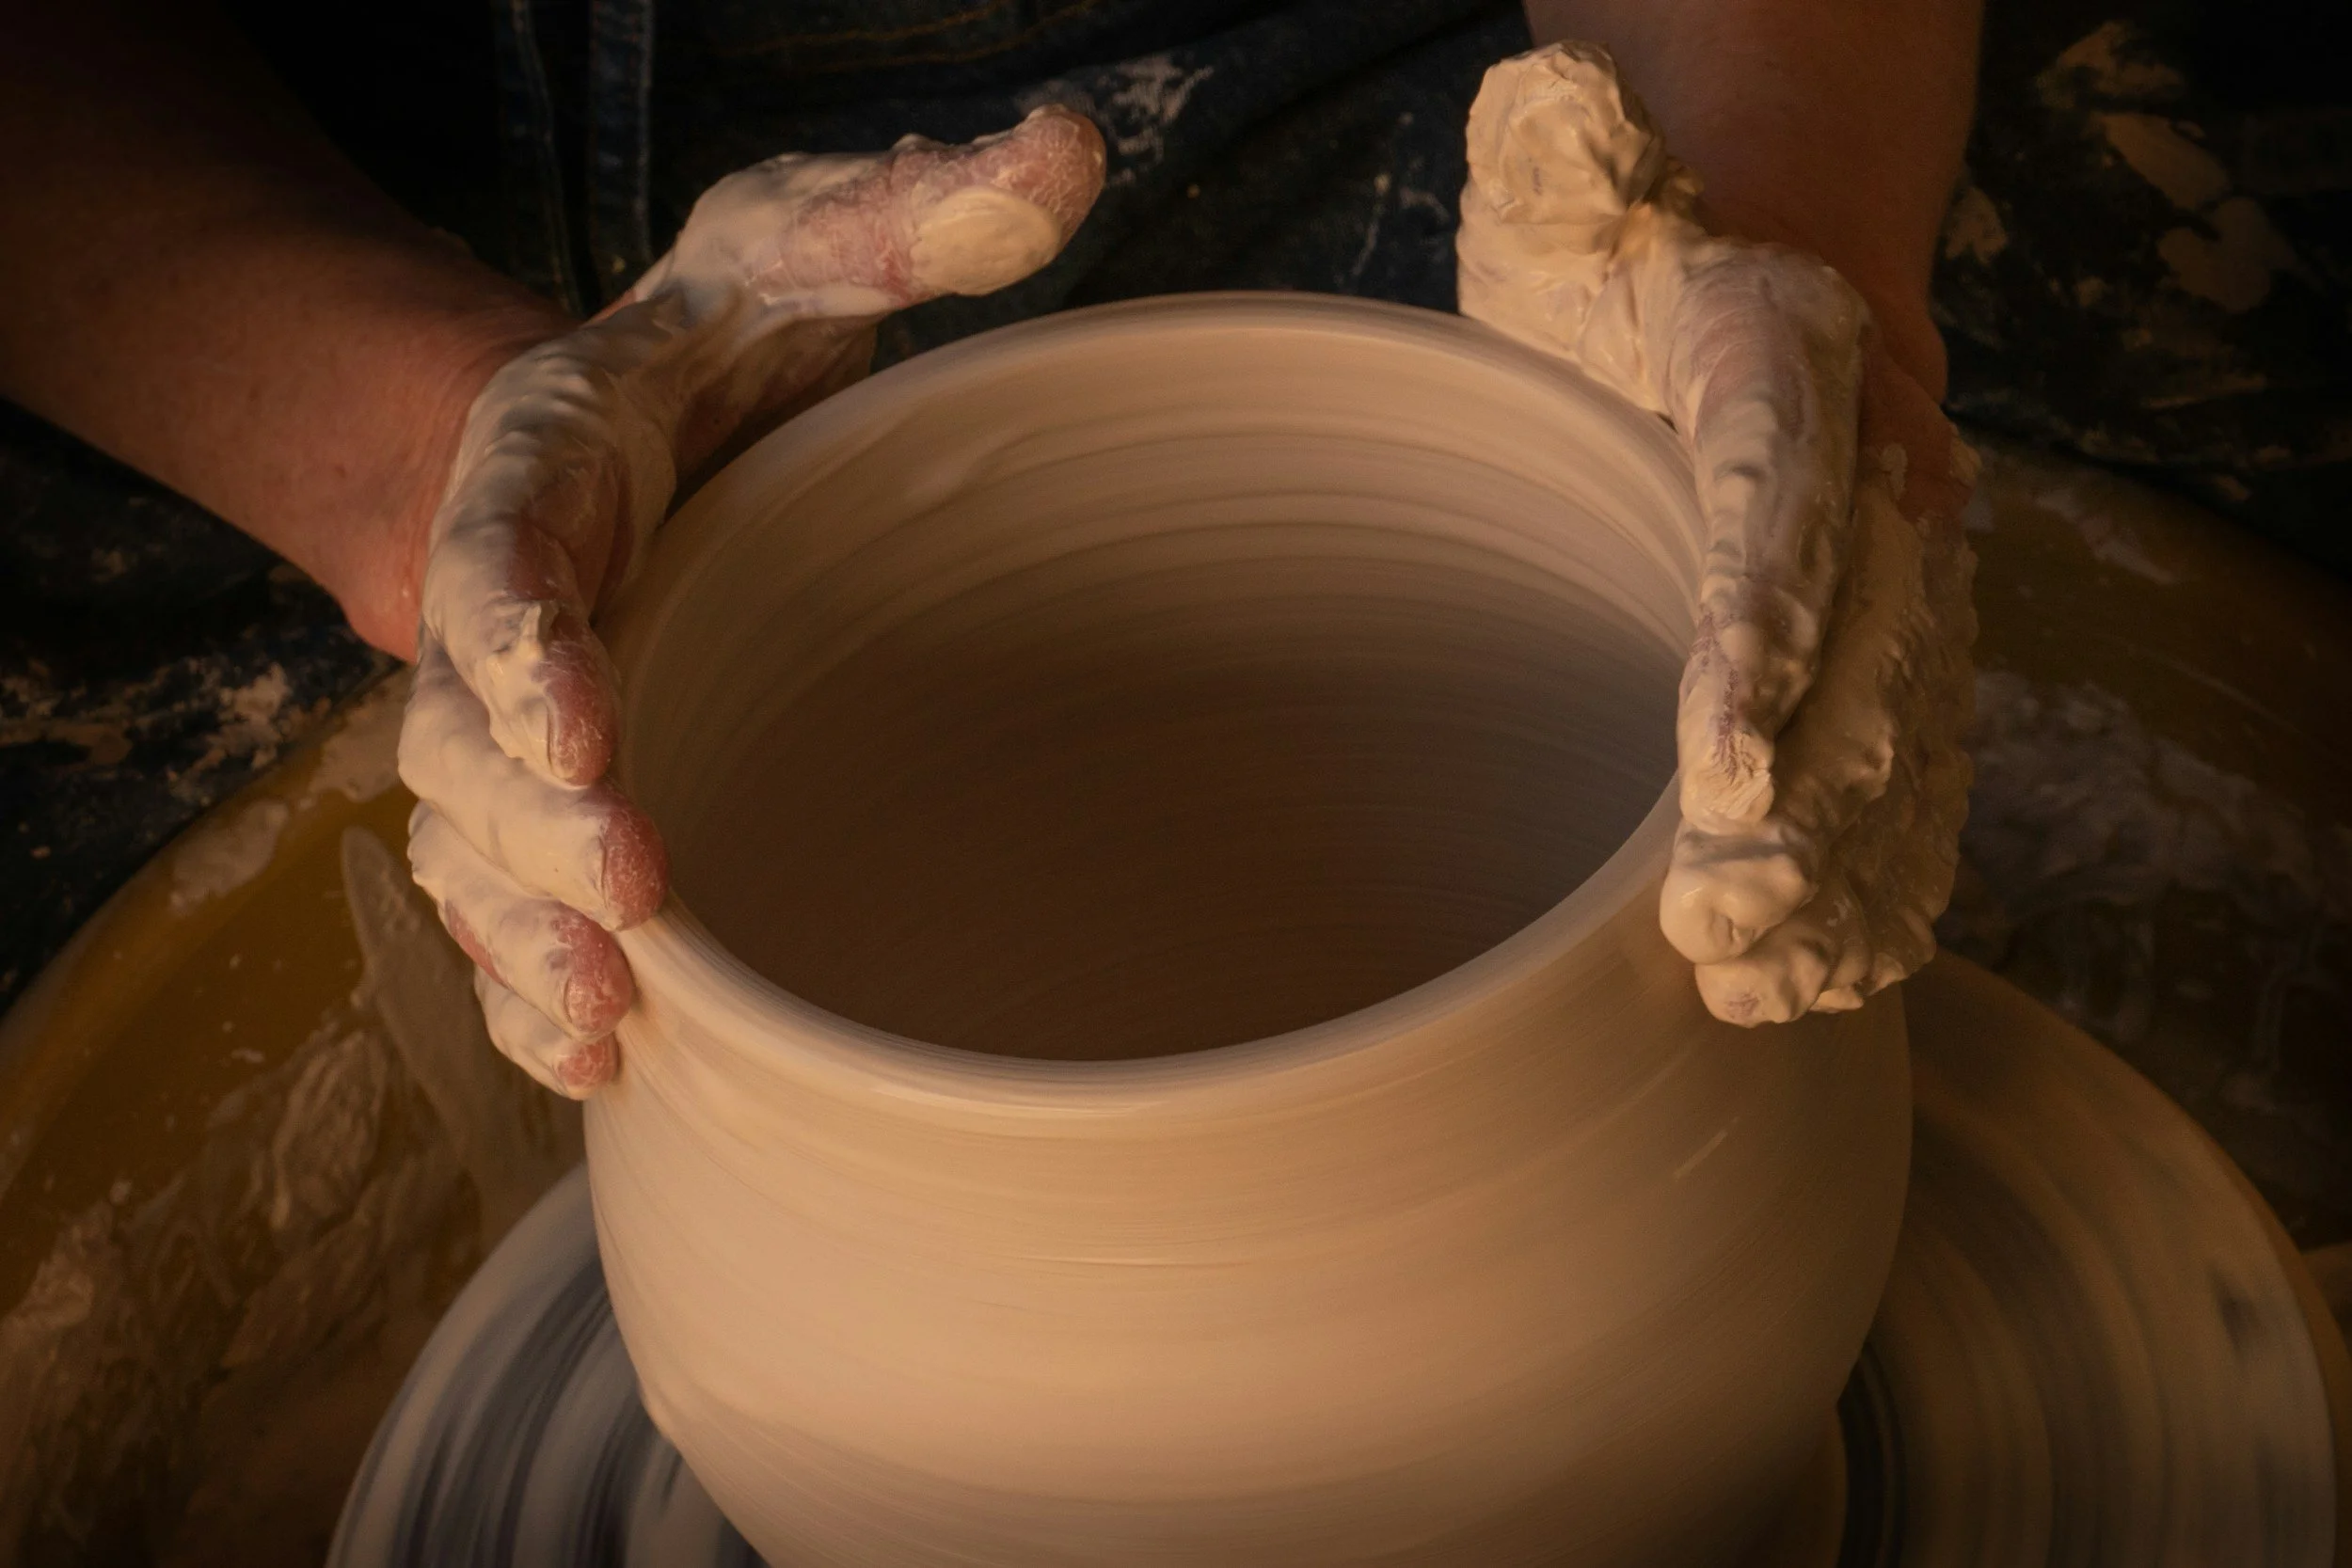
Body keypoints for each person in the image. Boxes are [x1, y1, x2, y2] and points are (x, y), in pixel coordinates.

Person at [0, 0, 1983, 1093]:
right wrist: (427, 441)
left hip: (1388, 55)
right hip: (200, 195)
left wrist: (1740, 208)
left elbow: (1716, 209)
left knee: (1827, 619)